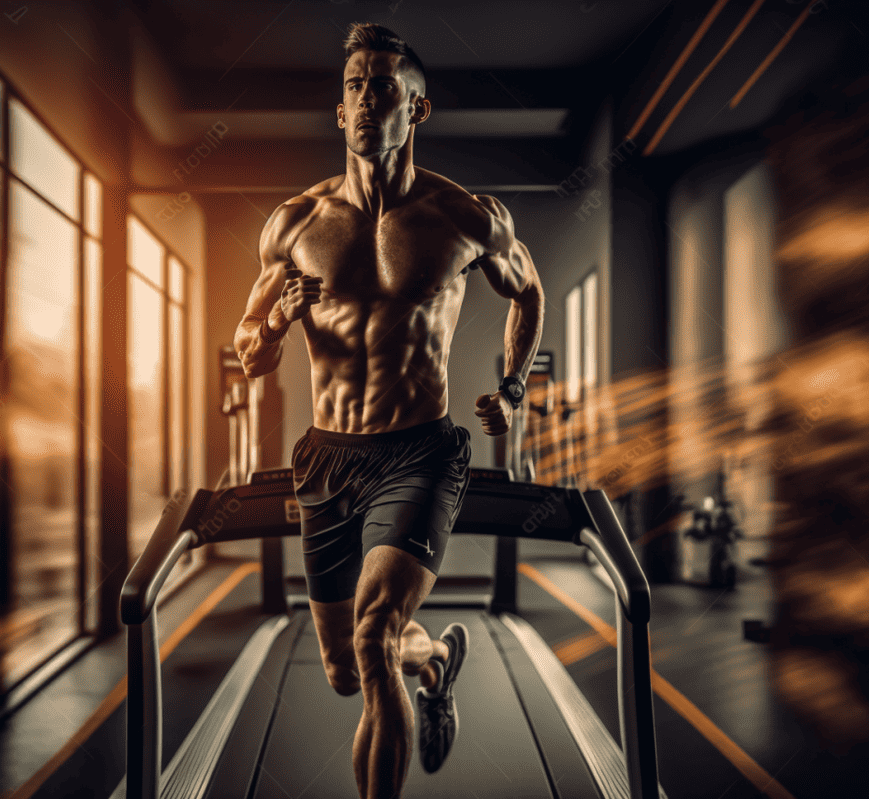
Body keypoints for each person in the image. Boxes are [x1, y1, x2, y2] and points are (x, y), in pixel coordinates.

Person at [233, 21, 544, 799]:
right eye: (355, 87)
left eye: (383, 87)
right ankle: (433, 659)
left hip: (420, 453)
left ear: (418, 108)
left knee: (372, 637)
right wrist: (274, 324)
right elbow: (249, 349)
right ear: (339, 112)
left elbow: (527, 291)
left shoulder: (464, 217)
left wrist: (512, 389)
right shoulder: (294, 225)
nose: (368, 100)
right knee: (346, 669)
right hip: (327, 457)